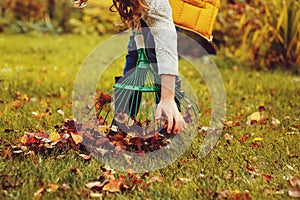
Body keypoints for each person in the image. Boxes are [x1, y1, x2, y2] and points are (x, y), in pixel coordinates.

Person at [73, 0, 186, 134]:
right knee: (135, 54)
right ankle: (122, 124)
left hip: (174, 6)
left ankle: (170, 124)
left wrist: (168, 97)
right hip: (145, 5)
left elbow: (165, 35)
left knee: (154, 52)